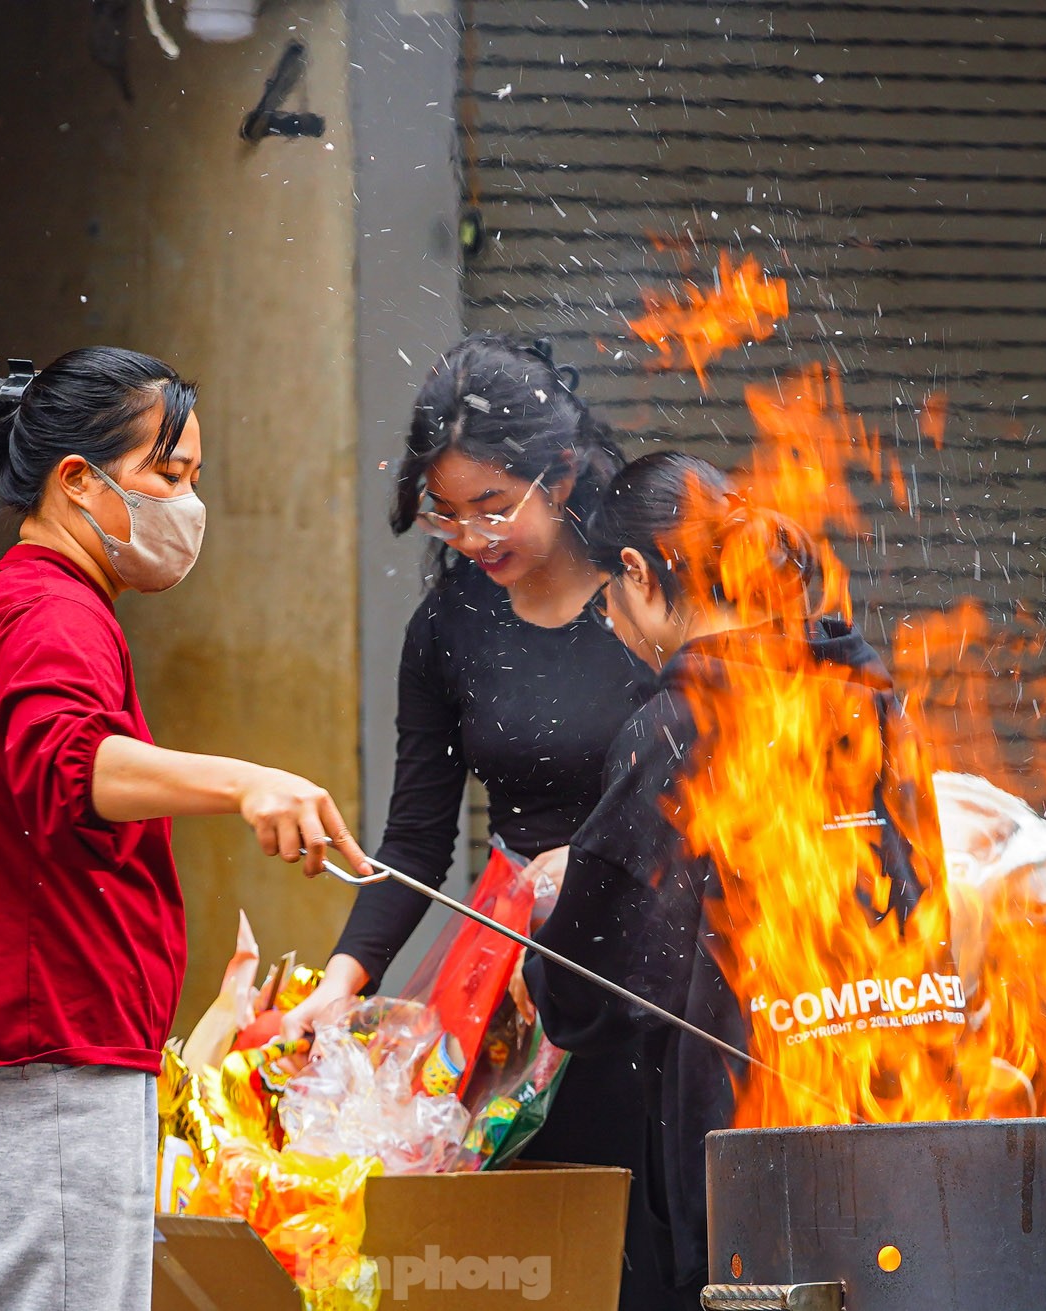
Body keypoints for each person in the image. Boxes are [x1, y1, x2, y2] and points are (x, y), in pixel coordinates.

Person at [0, 347, 373, 1311]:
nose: (188, 505)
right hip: (39, 1069)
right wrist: (246, 782)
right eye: (170, 475)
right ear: (78, 482)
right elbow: (70, 767)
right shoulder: (46, 610)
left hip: (29, 1063)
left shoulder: (39, 606)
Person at [278, 332, 665, 1305]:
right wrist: (339, 984)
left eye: (495, 507)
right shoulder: (449, 626)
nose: (472, 537)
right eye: (447, 516)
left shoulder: (645, 591)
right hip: (525, 991)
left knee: (661, 1254)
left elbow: (719, 773)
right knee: (536, 1256)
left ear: (563, 474)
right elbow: (414, 842)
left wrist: (606, 855)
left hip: (662, 972)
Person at [525, 451, 953, 1308]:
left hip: (757, 1179)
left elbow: (592, 995)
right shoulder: (871, 701)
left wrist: (548, 914)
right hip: (921, 1141)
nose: (612, 620)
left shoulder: (674, 730)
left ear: (638, 575)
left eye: (607, 597)